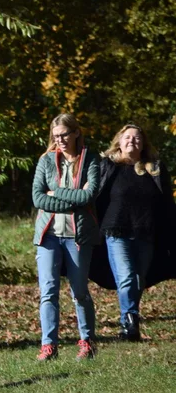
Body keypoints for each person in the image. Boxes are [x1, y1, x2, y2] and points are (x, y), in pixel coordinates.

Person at [91, 124, 176, 341]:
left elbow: (166, 203)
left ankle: (130, 321)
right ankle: (129, 322)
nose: (131, 141)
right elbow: (95, 197)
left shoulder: (154, 169)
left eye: (137, 138)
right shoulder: (108, 166)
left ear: (144, 144)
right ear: (118, 142)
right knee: (127, 277)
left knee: (138, 280)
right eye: (127, 137)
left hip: (146, 232)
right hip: (115, 231)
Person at [30, 113, 101, 361]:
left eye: (64, 135)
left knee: (79, 292)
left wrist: (56, 192)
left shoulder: (91, 160)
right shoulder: (46, 161)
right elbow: (38, 198)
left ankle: (87, 341)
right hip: (48, 236)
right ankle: (49, 345)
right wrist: (72, 198)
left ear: (76, 133)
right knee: (48, 291)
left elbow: (88, 197)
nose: (60, 140)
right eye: (55, 136)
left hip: (77, 236)